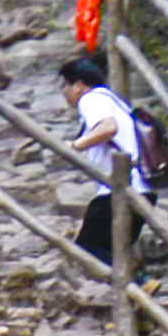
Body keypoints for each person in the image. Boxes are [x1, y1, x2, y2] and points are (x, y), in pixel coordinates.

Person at [63, 46, 155, 272]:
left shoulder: (91, 99)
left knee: (88, 248)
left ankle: (140, 285)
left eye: (66, 85)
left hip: (118, 190)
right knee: (113, 251)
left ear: (78, 85)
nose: (65, 92)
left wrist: (75, 145)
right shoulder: (116, 101)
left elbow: (108, 128)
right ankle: (139, 290)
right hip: (143, 187)